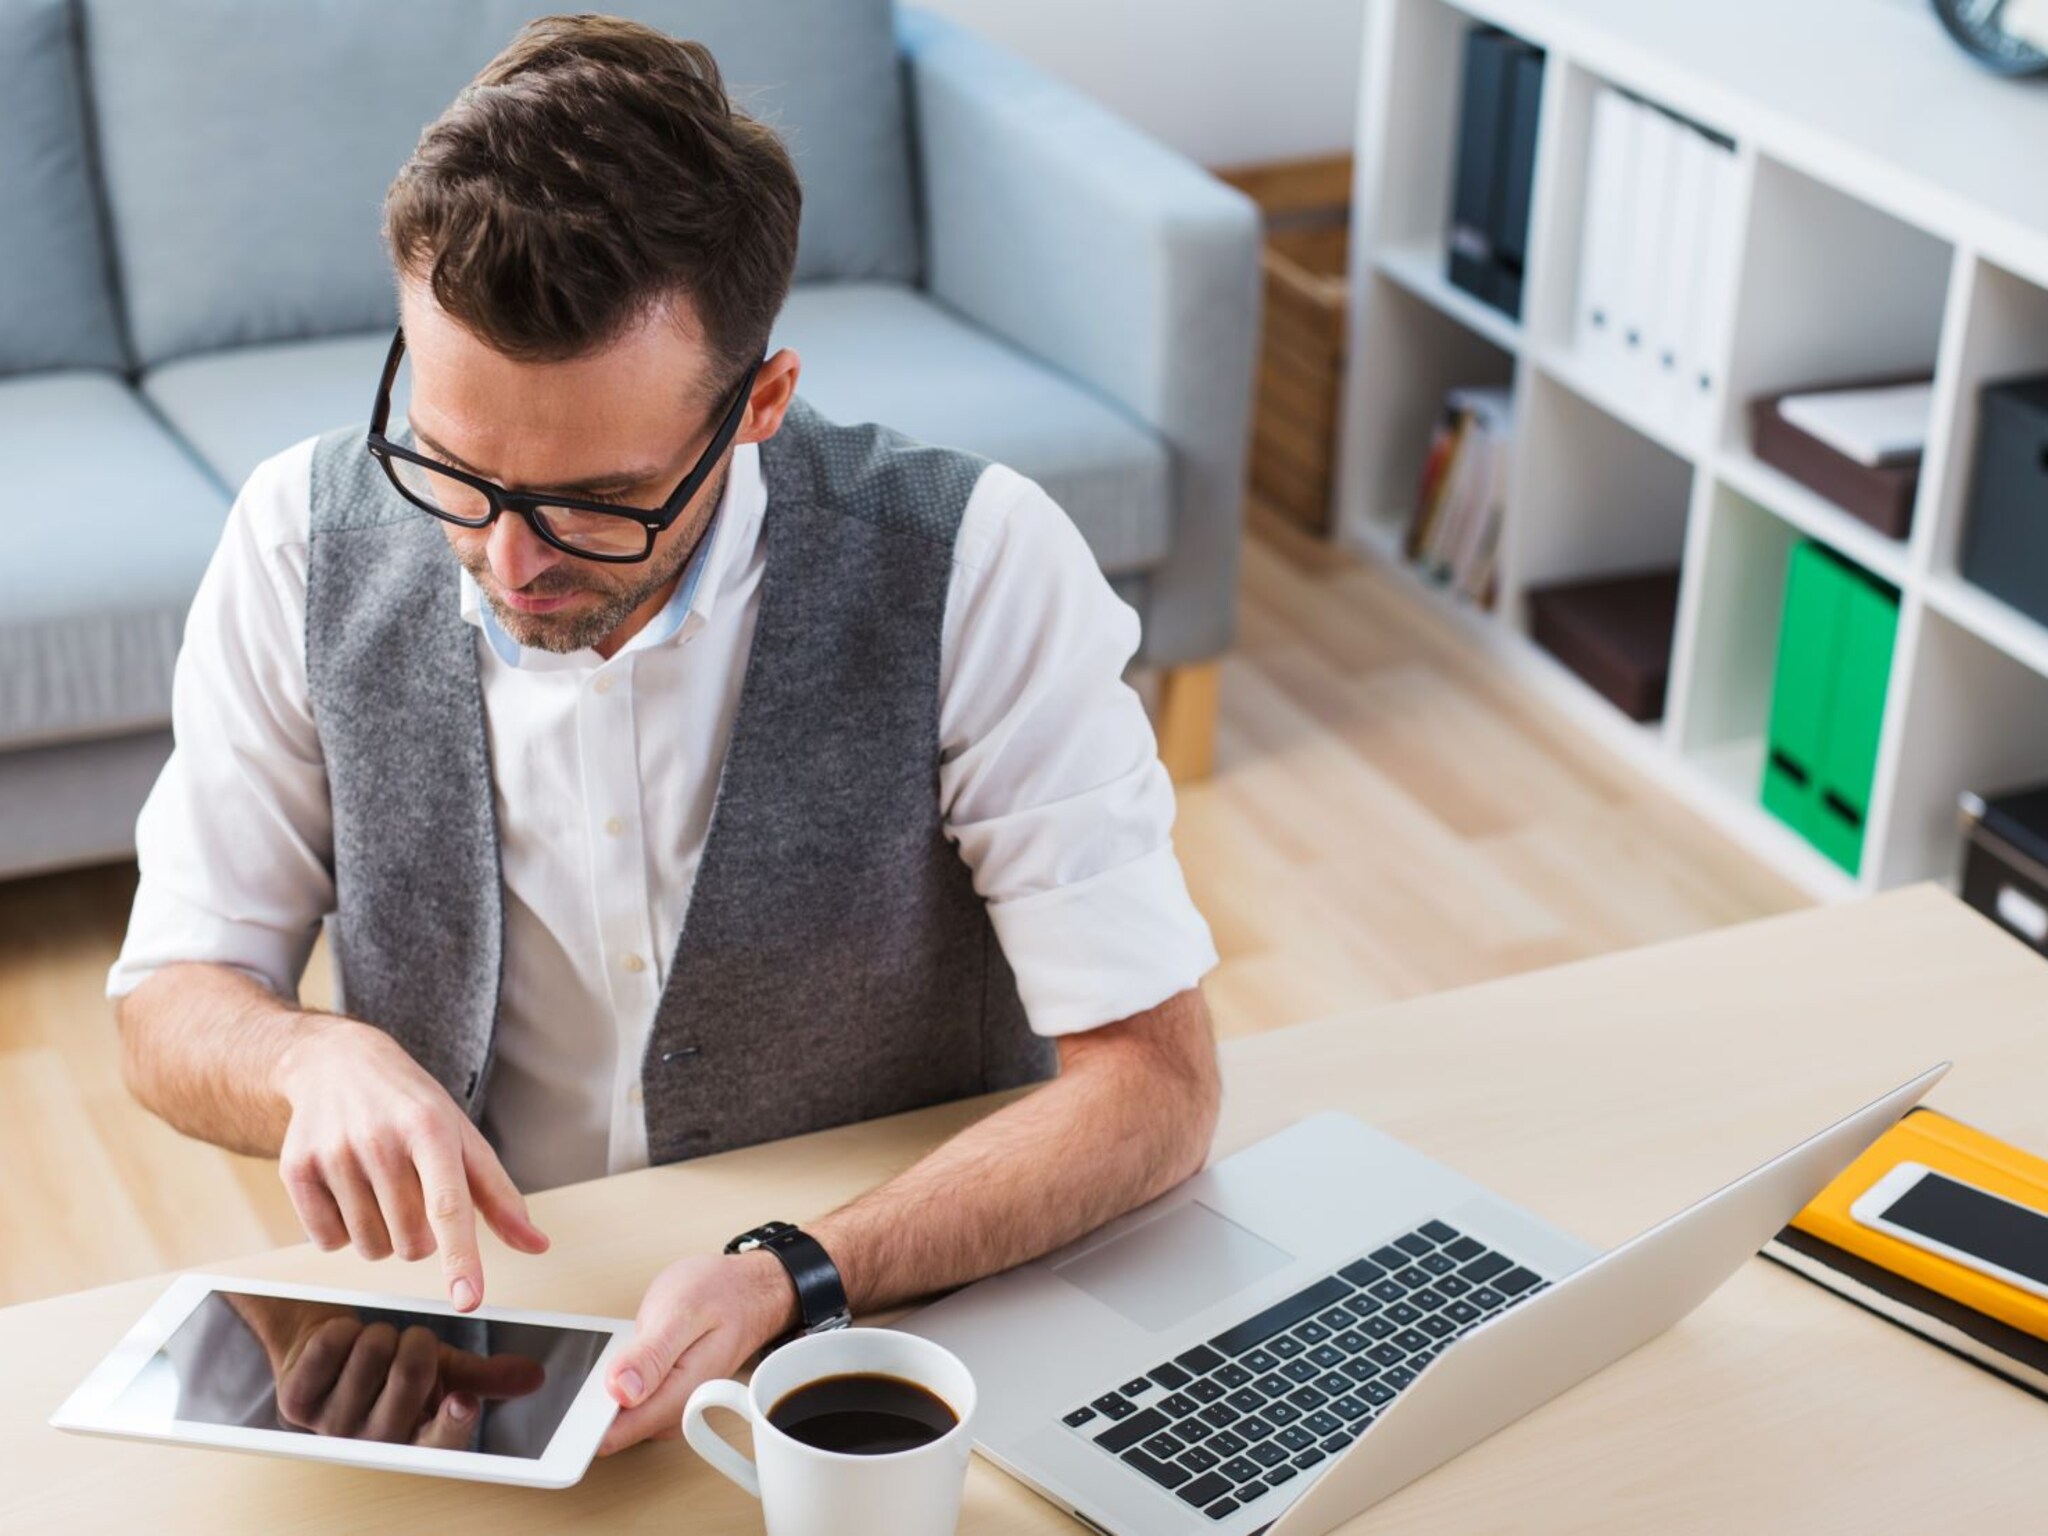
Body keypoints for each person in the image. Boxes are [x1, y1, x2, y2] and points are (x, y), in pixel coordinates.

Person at [109, 14, 1220, 1456]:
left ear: (760, 404)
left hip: (892, 1339)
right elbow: (170, 1001)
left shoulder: (978, 562)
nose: (508, 563)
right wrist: (308, 1060)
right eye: (451, 469)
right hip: (492, 1344)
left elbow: (1156, 1084)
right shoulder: (295, 540)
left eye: (595, 501)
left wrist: (795, 1274)